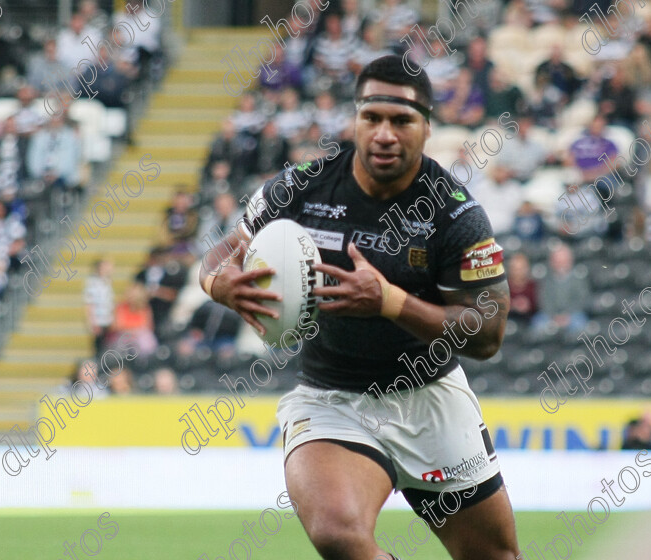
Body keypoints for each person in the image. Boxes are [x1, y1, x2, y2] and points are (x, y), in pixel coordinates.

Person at [199, 56, 518, 560]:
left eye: (402, 120)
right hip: (332, 399)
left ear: (427, 127)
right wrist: (220, 285)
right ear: (355, 120)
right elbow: (220, 253)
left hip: (429, 400)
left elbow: (489, 333)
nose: (385, 134)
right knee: (338, 534)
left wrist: (389, 301)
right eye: (373, 118)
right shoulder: (302, 186)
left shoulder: (454, 212)